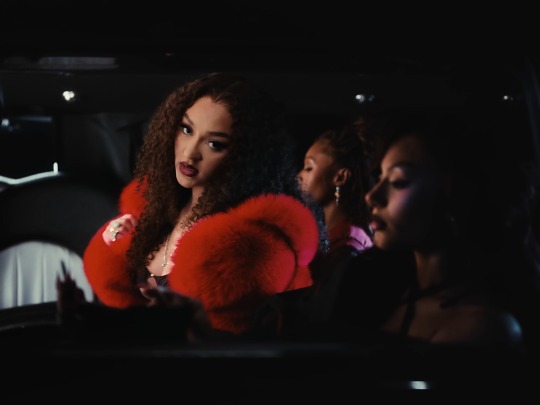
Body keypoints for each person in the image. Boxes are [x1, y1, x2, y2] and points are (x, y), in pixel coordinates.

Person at [80, 72, 324, 336]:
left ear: (246, 156)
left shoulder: (251, 246)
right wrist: (115, 249)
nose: (190, 153)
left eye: (214, 144)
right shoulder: (153, 215)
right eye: (187, 130)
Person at [355, 106, 532, 347]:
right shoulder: (398, 295)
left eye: (398, 181)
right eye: (379, 178)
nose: (371, 196)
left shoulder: (482, 326)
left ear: (454, 194)